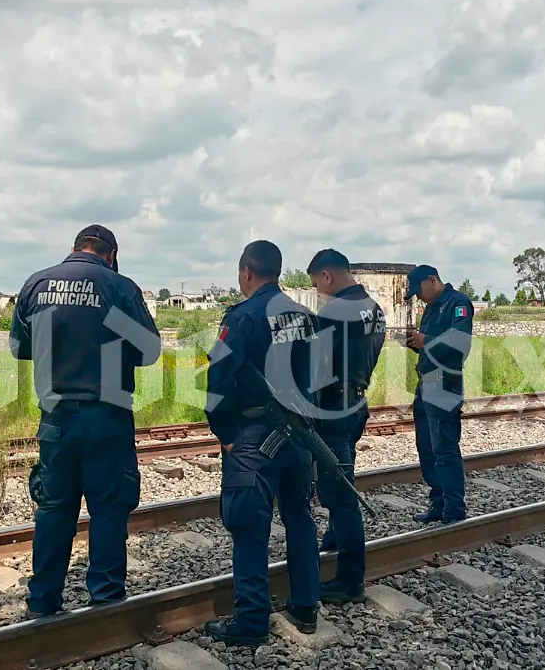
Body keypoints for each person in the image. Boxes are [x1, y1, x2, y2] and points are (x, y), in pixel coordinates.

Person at [8, 224, 161, 620]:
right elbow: (148, 352)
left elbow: (19, 348)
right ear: (110, 255)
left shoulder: (35, 284)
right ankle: (106, 603)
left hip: (55, 421)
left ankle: (43, 603)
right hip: (107, 418)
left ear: (73, 248)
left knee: (54, 510)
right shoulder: (119, 286)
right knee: (109, 509)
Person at [203, 240, 321, 647]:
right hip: (300, 437)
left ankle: (251, 620)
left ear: (247, 272)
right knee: (299, 517)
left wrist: (226, 436)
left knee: (250, 526)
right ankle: (306, 606)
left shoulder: (241, 318)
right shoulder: (307, 316)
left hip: (254, 437)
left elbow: (218, 380)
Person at [305, 249, 385, 603]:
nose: (319, 294)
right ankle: (333, 543)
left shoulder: (336, 310)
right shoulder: (373, 308)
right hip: (356, 400)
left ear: (326, 276)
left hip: (333, 407)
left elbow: (315, 361)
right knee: (343, 477)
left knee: (340, 496)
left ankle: (350, 580)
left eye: (316, 286)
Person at [401, 265, 473, 525]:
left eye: (418, 290)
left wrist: (426, 340)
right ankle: (438, 502)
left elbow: (460, 343)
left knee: (444, 447)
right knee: (427, 447)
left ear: (432, 280)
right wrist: (416, 345)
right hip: (427, 382)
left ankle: (454, 509)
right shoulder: (431, 307)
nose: (417, 297)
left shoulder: (458, 303)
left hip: (445, 382)